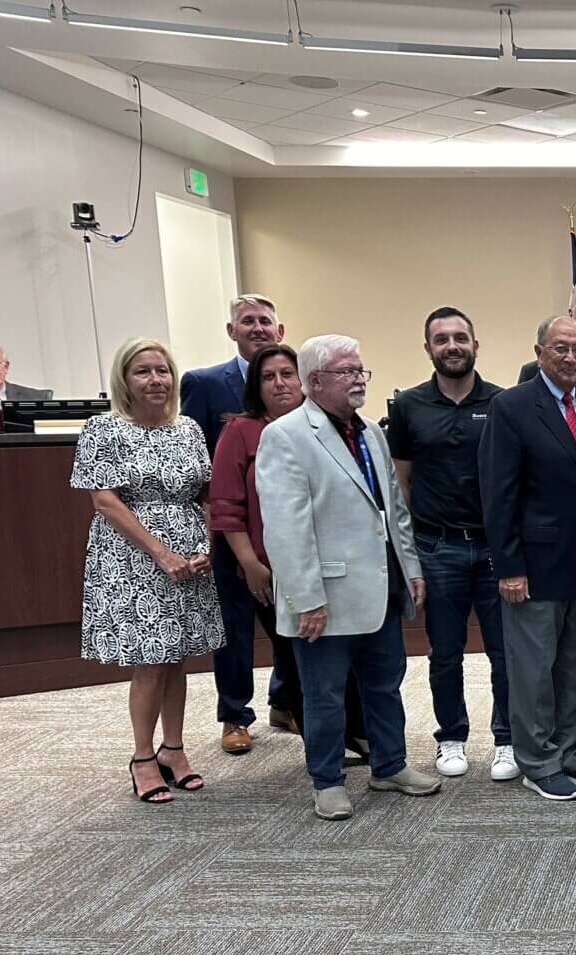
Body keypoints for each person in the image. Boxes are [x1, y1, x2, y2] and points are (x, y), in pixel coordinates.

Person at [255, 334, 441, 821]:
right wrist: (304, 598)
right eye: (347, 371)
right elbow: (286, 529)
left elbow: (394, 509)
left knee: (385, 684)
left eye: (362, 371)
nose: (359, 379)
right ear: (315, 381)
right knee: (323, 694)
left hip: (379, 587)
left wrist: (411, 568)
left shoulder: (370, 433)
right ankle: (327, 780)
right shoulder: (285, 436)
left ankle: (390, 764)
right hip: (324, 597)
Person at [70, 337, 224, 805]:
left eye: (162, 371)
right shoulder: (104, 429)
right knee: (150, 660)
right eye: (143, 372)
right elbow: (104, 500)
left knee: (177, 655)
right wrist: (161, 552)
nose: (155, 380)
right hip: (132, 556)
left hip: (189, 553)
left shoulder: (189, 430)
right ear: (125, 380)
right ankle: (141, 757)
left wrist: (208, 547)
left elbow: (206, 494)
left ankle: (173, 750)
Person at [208, 343, 369, 765]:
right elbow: (226, 506)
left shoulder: (329, 426)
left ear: (305, 380)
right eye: (268, 376)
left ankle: (355, 731)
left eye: (287, 374)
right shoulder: (241, 431)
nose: (279, 383)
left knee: (340, 653)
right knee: (297, 655)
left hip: (329, 564)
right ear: (255, 387)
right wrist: (251, 565)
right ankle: (321, 746)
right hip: (264, 567)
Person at [485, 315, 576, 802]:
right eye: (560, 348)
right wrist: (509, 566)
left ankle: (570, 753)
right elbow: (498, 494)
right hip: (534, 567)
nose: (570, 358)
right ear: (539, 352)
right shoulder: (512, 407)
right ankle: (537, 761)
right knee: (533, 669)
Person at [387, 306, 517, 783]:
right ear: (428, 349)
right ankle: (452, 737)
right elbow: (401, 483)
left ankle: (506, 739)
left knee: (505, 653)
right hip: (437, 548)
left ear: (475, 345)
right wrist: (411, 555)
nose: (452, 346)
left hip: (493, 549)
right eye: (442, 340)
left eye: (461, 337)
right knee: (445, 652)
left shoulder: (503, 403)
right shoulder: (409, 406)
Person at [180, 294, 289, 755]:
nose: (258, 328)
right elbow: (189, 453)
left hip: (283, 529)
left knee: (289, 619)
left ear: (279, 331)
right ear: (232, 331)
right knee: (235, 625)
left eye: (266, 321)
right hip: (227, 529)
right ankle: (235, 716)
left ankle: (285, 702)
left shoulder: (293, 383)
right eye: (248, 321)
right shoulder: (204, 383)